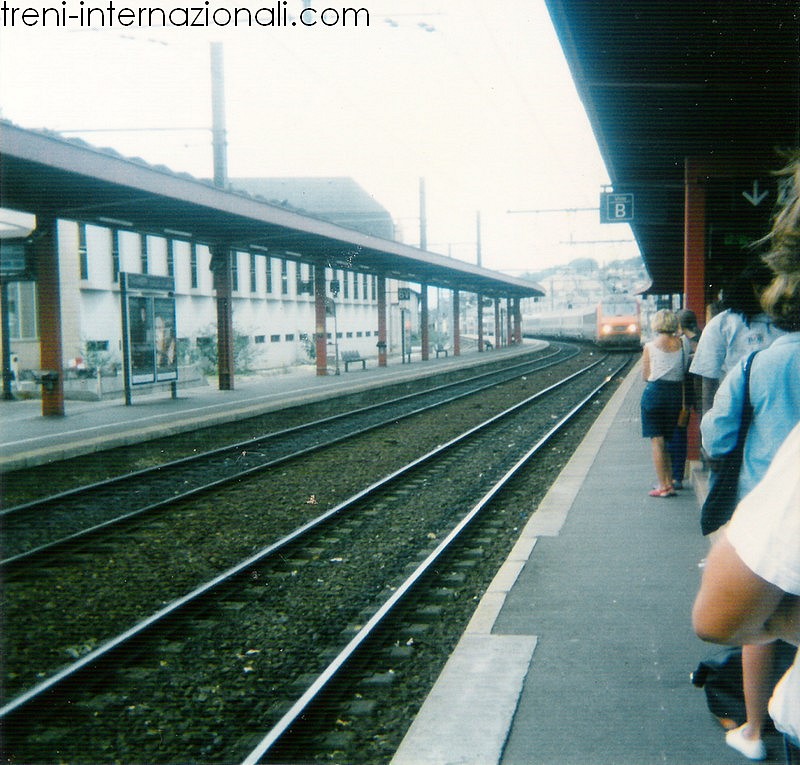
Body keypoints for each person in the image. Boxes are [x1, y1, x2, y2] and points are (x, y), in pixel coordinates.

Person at [698, 153, 800, 760]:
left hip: (767, 500)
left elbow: (718, 432)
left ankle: (754, 727)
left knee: (761, 623)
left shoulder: (762, 361)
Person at [692, 420, 800, 763]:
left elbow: (718, 430)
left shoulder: (751, 364)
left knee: (754, 612)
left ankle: (753, 729)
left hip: (767, 488)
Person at [690, 259, 785, 417]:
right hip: (738, 415)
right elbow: (706, 380)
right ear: (754, 287)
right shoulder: (721, 325)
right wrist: (707, 426)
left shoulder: (785, 322)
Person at [640, 309, 689, 497]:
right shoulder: (682, 344)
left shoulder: (649, 346)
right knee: (668, 440)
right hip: (675, 395)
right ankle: (668, 482)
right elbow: (684, 370)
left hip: (655, 394)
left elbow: (646, 376)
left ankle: (663, 486)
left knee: (657, 441)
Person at [666, 309, 700, 489]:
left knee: (677, 435)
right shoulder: (701, 338)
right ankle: (677, 475)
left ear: (679, 325)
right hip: (698, 394)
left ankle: (676, 476)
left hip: (686, 396)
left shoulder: (684, 343)